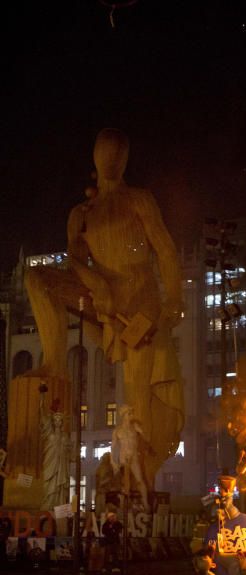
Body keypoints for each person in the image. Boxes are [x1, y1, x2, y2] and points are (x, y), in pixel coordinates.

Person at [25, 128, 184, 489]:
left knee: (138, 386)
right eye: (104, 152)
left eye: (117, 152)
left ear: (125, 159)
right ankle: (54, 361)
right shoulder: (82, 213)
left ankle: (135, 470)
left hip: (139, 303)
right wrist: (97, 285)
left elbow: (166, 250)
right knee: (38, 280)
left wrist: (173, 301)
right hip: (101, 300)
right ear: (95, 158)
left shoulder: (140, 200)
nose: (110, 159)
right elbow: (75, 262)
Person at [111, 404, 150, 511]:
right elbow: (113, 447)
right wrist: (113, 461)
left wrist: (141, 431)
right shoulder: (117, 431)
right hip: (124, 458)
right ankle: (123, 505)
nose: (131, 415)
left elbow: (145, 437)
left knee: (140, 480)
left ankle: (145, 503)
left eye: (131, 413)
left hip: (134, 457)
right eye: (129, 413)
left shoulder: (135, 427)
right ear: (124, 415)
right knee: (125, 484)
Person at [39, 383, 71, 510]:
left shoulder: (64, 437)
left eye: (60, 419)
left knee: (60, 487)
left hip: (61, 466)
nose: (58, 421)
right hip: (50, 463)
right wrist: (42, 397)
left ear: (62, 421)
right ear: (52, 420)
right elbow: (42, 413)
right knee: (49, 485)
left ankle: (59, 507)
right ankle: (48, 505)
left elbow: (70, 452)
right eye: (55, 419)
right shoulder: (49, 433)